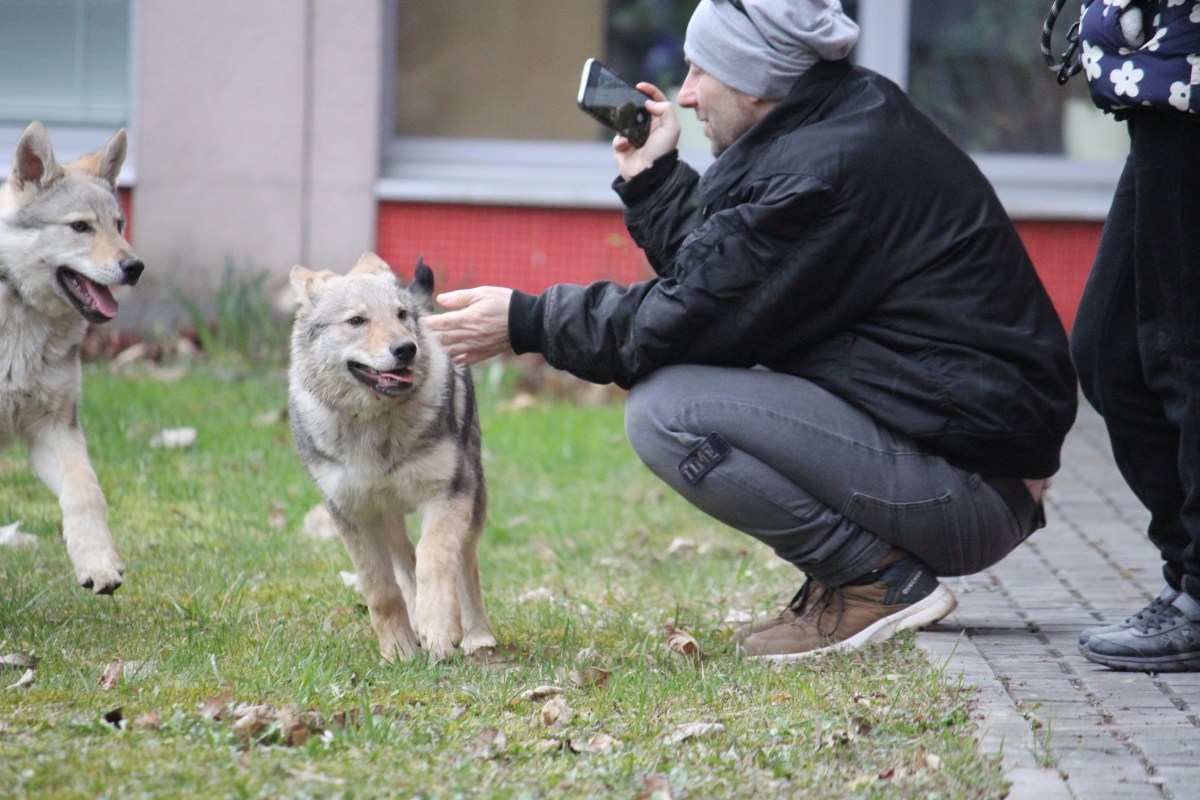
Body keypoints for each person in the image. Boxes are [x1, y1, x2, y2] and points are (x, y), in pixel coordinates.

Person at [426, 0, 1077, 659]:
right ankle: (850, 577)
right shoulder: (836, 122)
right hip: (966, 468)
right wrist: (655, 179)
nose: (684, 96)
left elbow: (683, 318)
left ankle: (874, 582)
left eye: (698, 71)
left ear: (756, 80)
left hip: (967, 490)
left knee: (665, 412)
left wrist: (528, 320)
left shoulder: (818, 173)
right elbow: (728, 285)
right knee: (706, 377)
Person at [1070, 0, 1200, 672]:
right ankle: (1187, 576)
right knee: (1110, 353)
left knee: (1184, 354)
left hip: (1185, 73)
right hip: (1159, 76)